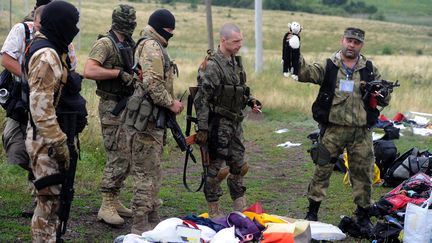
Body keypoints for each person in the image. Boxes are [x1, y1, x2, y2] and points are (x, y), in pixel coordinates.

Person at [293, 27, 391, 235]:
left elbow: (385, 97)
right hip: (333, 130)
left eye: (356, 42)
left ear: (361, 45)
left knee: (363, 174)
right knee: (322, 170)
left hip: (361, 132)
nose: (351, 45)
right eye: (349, 40)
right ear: (342, 40)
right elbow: (304, 73)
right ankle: (312, 213)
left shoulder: (370, 68)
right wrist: (294, 49)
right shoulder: (329, 65)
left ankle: (363, 216)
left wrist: (382, 94)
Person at [193, 23, 262, 218]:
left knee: (239, 166)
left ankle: (240, 209)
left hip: (235, 124)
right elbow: (202, 99)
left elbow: (240, 88)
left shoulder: (235, 62)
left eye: (241, 40)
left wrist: (251, 101)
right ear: (223, 41)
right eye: (236, 41)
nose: (240, 44)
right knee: (215, 170)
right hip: (218, 125)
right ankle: (214, 212)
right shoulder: (212, 66)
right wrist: (203, 129)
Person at [125, 8, 183, 234]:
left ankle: (153, 217)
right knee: (145, 173)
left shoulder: (154, 44)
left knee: (154, 169)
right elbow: (152, 83)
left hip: (153, 119)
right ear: (160, 28)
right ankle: (139, 224)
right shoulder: (150, 46)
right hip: (147, 120)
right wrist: (171, 103)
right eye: (169, 30)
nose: (171, 34)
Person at [25, 1, 80, 241]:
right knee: (48, 200)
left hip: (47, 135)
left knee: (54, 198)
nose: (75, 29)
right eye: (72, 24)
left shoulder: (50, 48)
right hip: (45, 138)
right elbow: (41, 107)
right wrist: (58, 143)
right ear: (60, 24)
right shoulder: (47, 56)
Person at [83, 4, 137, 226]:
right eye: (129, 20)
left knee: (128, 154)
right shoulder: (105, 44)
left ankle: (115, 200)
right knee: (117, 153)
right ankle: (106, 203)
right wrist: (117, 73)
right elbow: (89, 70)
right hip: (111, 107)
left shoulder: (128, 43)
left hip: (128, 106)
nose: (133, 23)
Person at [0, 0, 52, 217]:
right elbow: (6, 58)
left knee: (44, 153)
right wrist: (30, 79)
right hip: (21, 103)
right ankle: (37, 177)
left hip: (47, 105)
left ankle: (42, 200)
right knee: (17, 150)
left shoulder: (61, 35)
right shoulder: (22, 30)